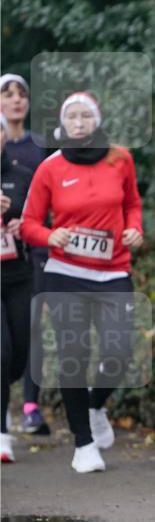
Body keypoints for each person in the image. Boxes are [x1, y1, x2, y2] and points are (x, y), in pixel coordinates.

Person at [20, 91, 143, 473]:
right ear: (62, 123)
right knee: (73, 358)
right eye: (71, 117)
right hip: (65, 273)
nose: (78, 123)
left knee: (120, 351)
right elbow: (28, 223)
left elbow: (132, 204)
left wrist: (135, 229)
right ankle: (83, 444)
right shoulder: (51, 167)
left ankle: (94, 404)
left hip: (112, 271)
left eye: (84, 116)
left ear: (96, 120)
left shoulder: (120, 158)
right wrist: (48, 237)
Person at [0, 72, 51, 435]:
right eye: (8, 94)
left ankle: (31, 404)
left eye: (22, 94)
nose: (17, 100)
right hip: (6, 261)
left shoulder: (39, 147)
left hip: (35, 249)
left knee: (31, 327)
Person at [1, 114, 35, 462]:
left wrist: (19, 220)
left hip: (20, 275)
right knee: (1, 352)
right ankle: (2, 432)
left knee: (19, 354)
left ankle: (5, 394)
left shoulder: (23, 177)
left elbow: (42, 221)